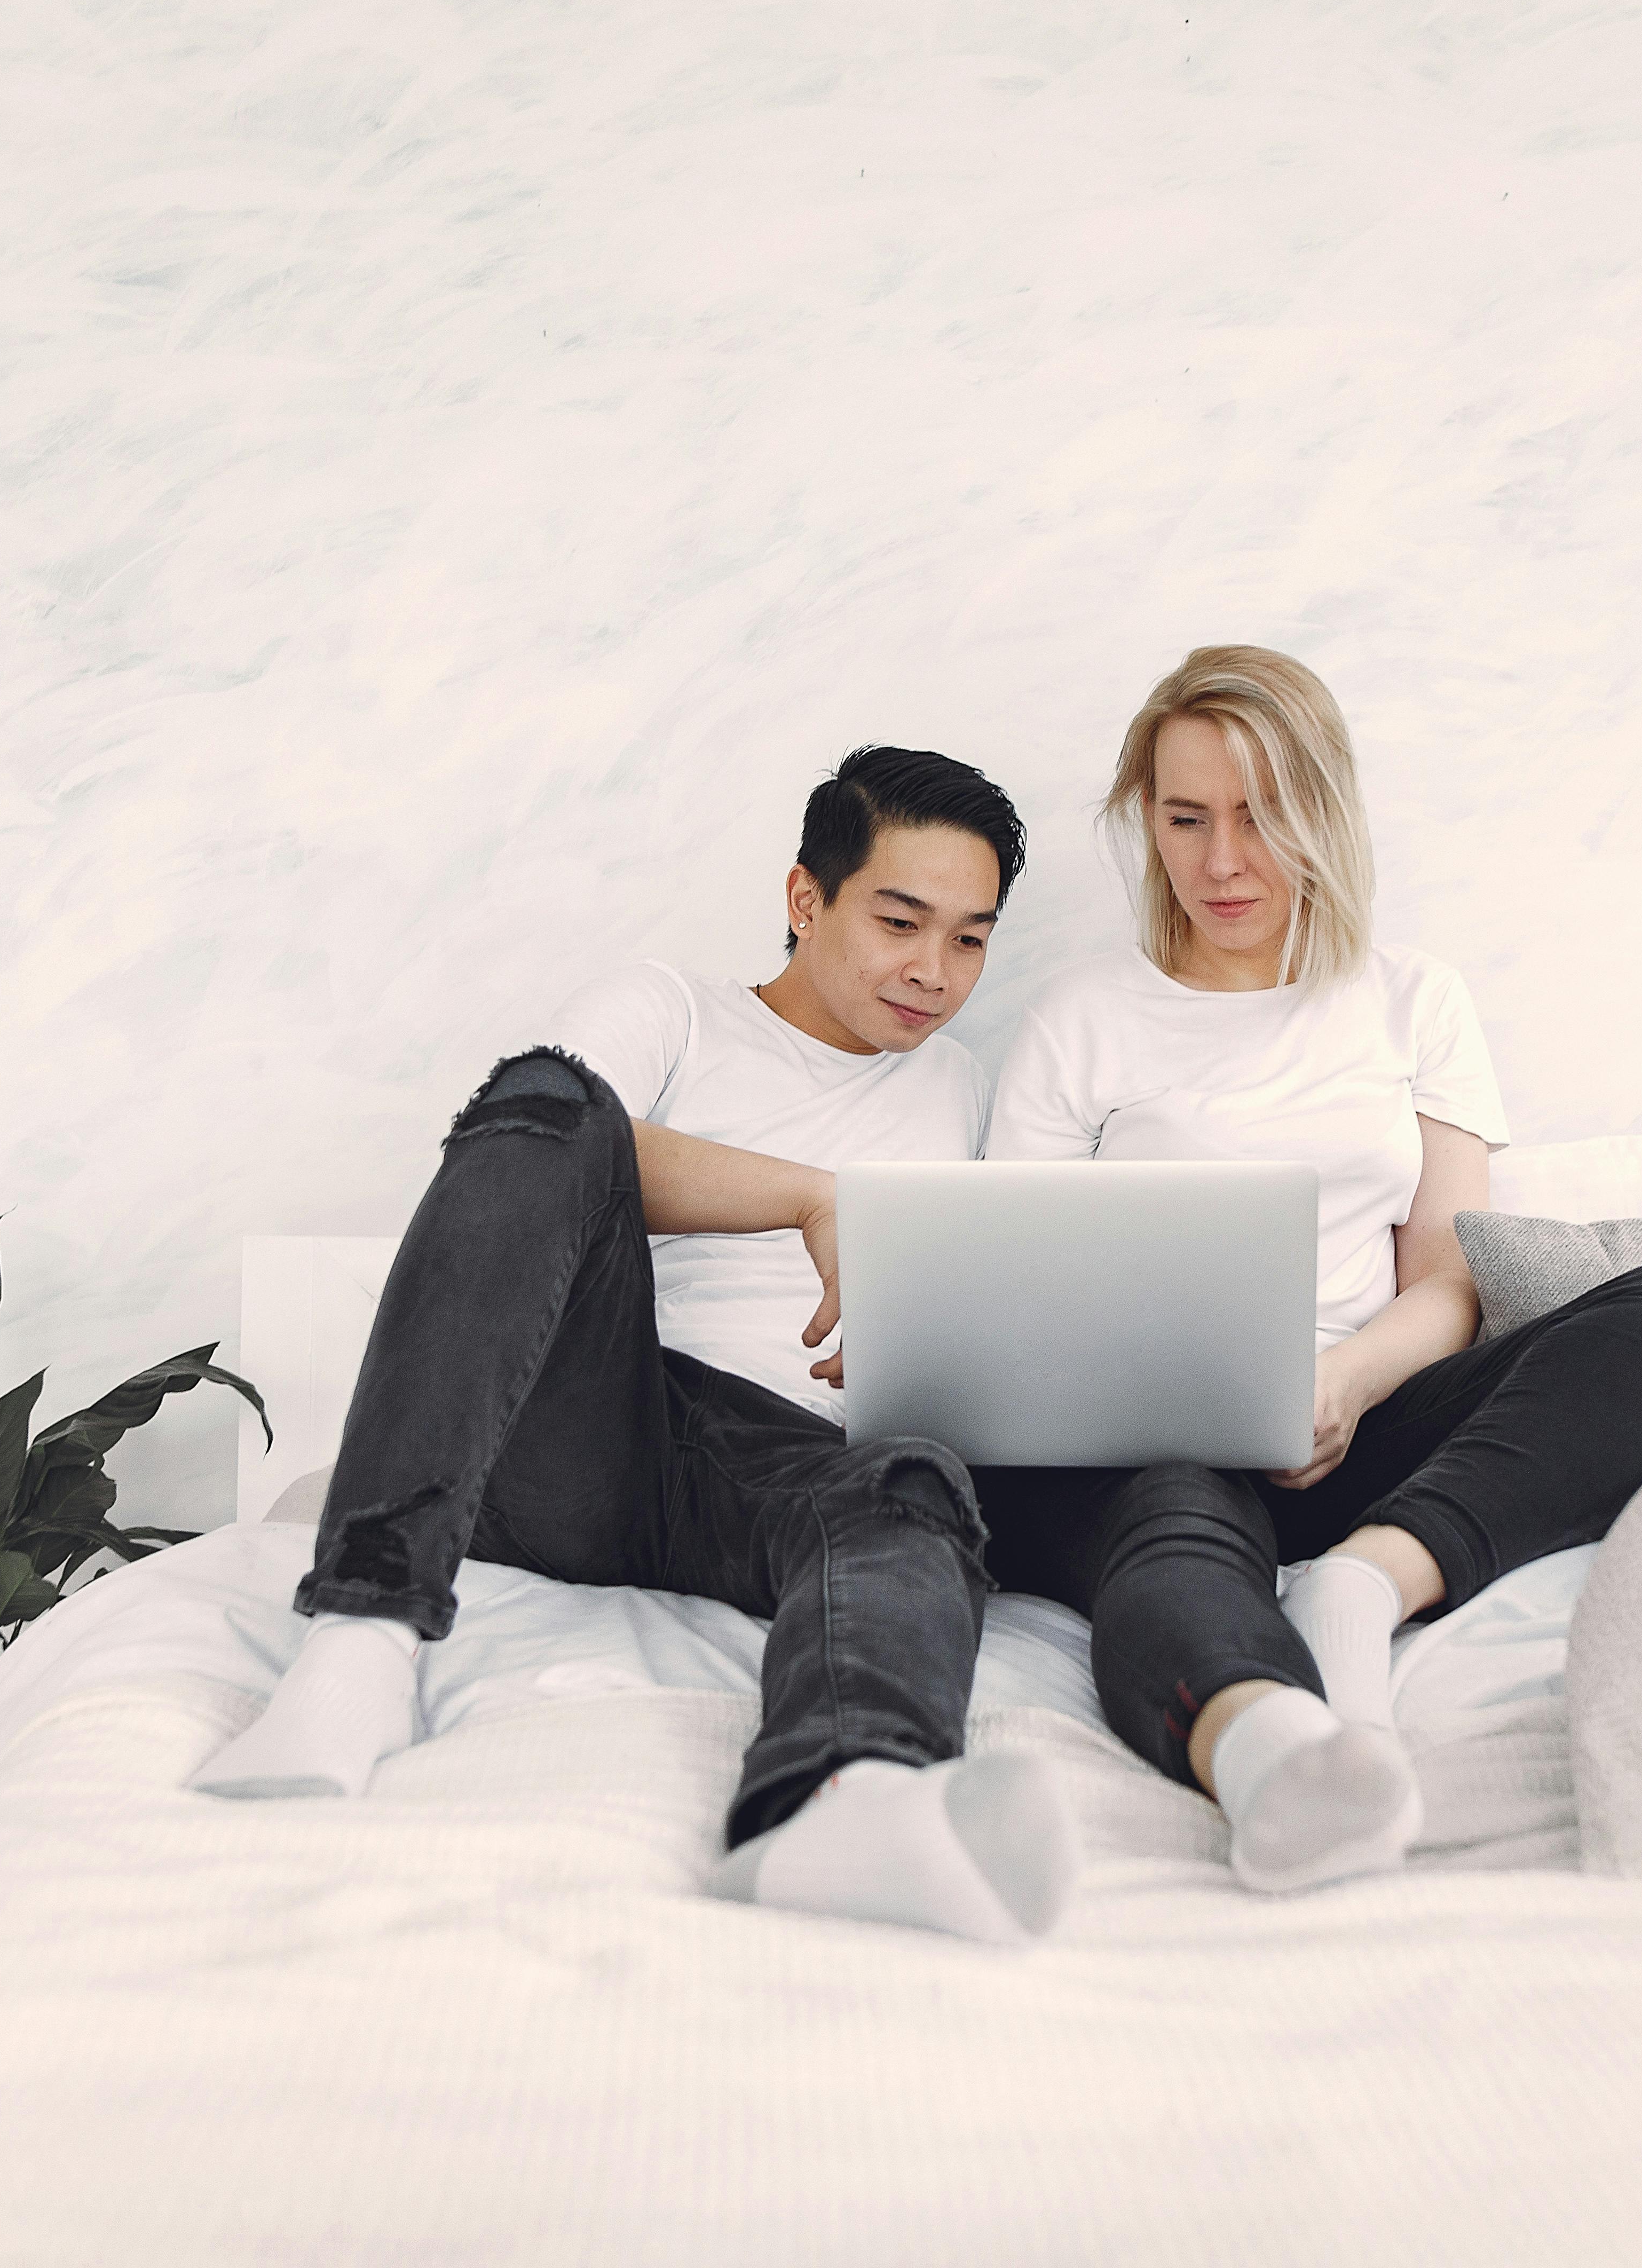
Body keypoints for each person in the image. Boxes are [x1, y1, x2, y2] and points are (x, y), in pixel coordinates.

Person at [193, 746, 1079, 1947]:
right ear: (806, 899)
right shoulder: (673, 1007)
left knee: (918, 1485)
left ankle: (843, 1801)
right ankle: (362, 1640)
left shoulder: (968, 1086)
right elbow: (533, 1146)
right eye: (900, 918)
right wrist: (814, 1195)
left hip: (791, 1468)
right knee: (551, 1096)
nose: (933, 971)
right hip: (608, 1422)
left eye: (970, 939)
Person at [981, 648, 1642, 1891]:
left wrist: (1338, 1381)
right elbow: (1021, 1291)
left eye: (1262, 816)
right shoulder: (1083, 1019)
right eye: (1186, 818)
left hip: (1365, 1418)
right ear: (1146, 821)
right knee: (1169, 1530)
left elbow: (1453, 1282)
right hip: (1155, 1439)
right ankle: (1275, 1752)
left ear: (1322, 813)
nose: (1222, 860)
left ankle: (1364, 1584)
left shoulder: (1413, 1001)